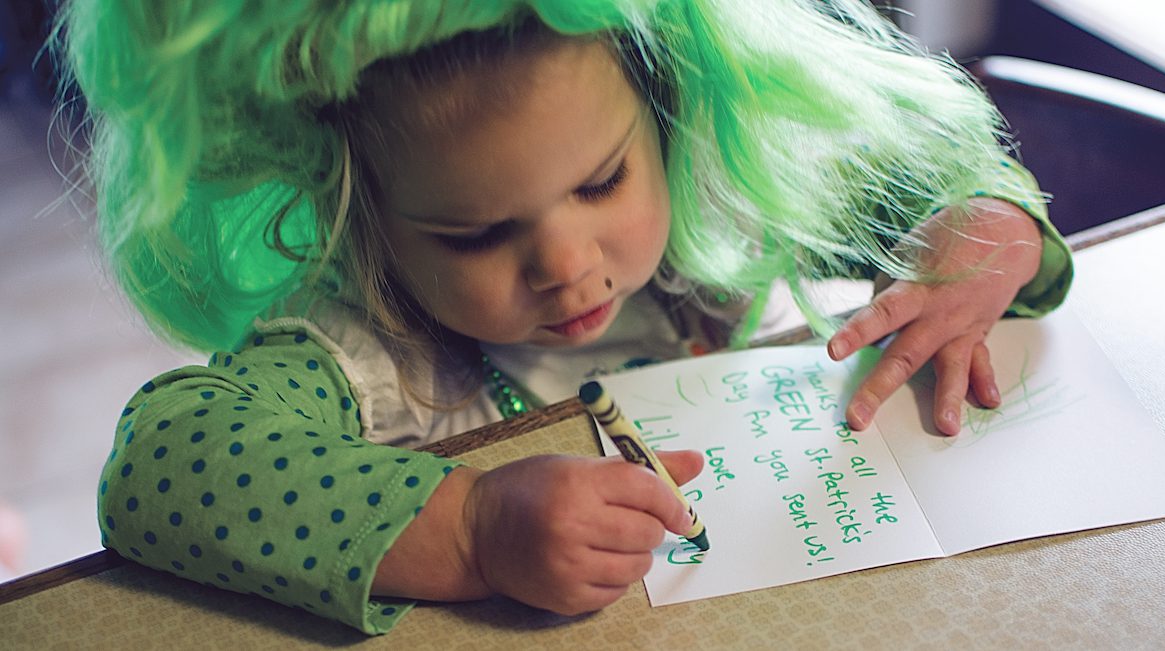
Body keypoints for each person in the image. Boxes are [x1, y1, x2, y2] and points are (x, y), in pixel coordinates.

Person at [57, 0, 1072, 634]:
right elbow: (160, 463)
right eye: (471, 235)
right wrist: (473, 527)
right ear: (355, 213)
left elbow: (939, 190)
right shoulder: (368, 341)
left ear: (673, 107)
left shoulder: (721, 188)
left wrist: (981, 234)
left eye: (601, 182)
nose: (567, 265)